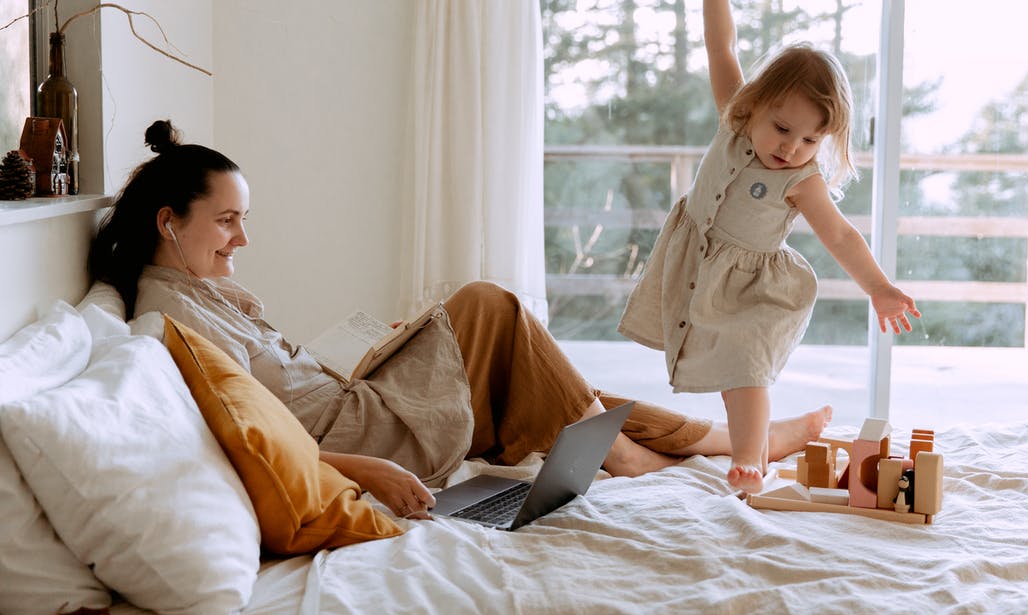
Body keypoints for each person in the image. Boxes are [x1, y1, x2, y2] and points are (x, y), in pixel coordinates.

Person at [88, 120, 834, 520]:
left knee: (541, 372)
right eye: (227, 221)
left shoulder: (194, 296)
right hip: (361, 431)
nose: (242, 239)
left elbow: (273, 385)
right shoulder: (168, 323)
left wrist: (359, 350)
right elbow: (245, 439)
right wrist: (368, 468)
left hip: (352, 398)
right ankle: (663, 452)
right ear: (168, 222)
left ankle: (735, 440)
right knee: (490, 305)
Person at [618, 0, 921, 496]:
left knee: (745, 371)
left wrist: (880, 287)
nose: (792, 148)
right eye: (782, 129)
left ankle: (746, 464)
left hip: (755, 290)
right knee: (725, 376)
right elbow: (721, 47)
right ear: (755, 105)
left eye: (810, 139)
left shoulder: (803, 180)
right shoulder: (733, 121)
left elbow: (841, 235)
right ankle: (758, 446)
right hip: (699, 267)